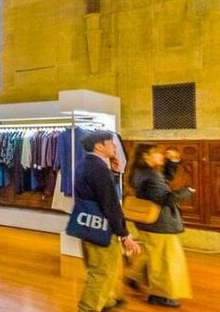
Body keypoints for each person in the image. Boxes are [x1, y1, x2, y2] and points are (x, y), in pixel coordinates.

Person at [76, 131, 141, 312]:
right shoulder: (97, 168)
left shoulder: (85, 164)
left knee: (100, 267)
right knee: (102, 271)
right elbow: (110, 203)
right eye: (111, 143)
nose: (114, 147)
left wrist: (113, 173)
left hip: (88, 224)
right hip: (102, 227)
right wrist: (124, 233)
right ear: (99, 146)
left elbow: (98, 194)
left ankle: (108, 300)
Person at [125, 144, 193, 308]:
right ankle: (159, 295)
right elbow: (165, 198)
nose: (162, 156)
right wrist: (186, 192)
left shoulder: (141, 173)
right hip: (160, 224)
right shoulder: (151, 176)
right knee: (165, 261)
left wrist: (172, 162)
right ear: (146, 156)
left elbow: (163, 181)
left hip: (148, 223)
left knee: (153, 254)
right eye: (157, 154)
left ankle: (135, 277)